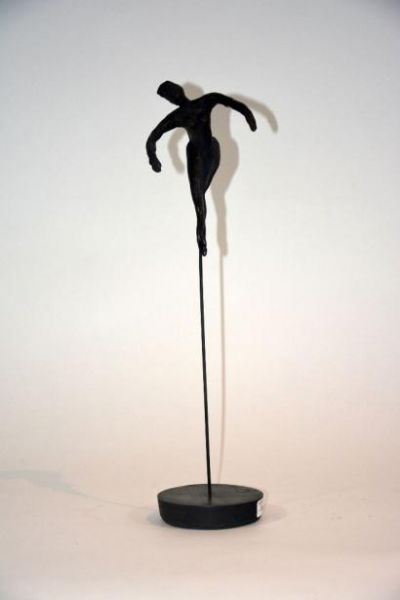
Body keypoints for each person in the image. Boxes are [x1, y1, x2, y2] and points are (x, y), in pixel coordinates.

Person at [146, 81, 257, 256]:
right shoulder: (178, 116)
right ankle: (201, 234)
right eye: (169, 96)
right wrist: (153, 158)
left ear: (179, 90)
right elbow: (153, 137)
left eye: (172, 92)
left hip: (211, 150)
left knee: (202, 195)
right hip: (195, 155)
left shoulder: (205, 102)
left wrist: (248, 115)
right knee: (199, 200)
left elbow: (230, 102)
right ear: (170, 100)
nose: (174, 97)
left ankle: (201, 224)